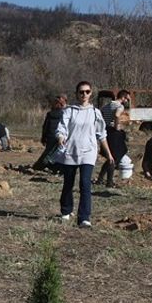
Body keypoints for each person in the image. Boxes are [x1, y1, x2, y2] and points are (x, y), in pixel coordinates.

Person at [54, 80, 113, 228]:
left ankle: (84, 218)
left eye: (87, 91)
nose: (84, 94)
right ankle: (66, 211)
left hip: (88, 152)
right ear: (77, 94)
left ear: (91, 93)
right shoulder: (69, 111)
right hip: (70, 152)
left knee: (85, 184)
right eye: (81, 92)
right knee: (68, 182)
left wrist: (109, 154)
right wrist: (60, 137)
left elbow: (102, 134)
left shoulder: (95, 113)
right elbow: (61, 128)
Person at [97, 89, 130, 187]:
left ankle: (100, 179)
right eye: (127, 99)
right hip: (114, 133)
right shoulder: (120, 106)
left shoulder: (106, 106)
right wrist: (117, 127)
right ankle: (109, 182)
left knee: (109, 156)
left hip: (106, 131)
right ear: (123, 98)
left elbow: (102, 116)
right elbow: (116, 115)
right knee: (114, 157)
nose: (127, 101)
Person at [32, 94, 67, 170]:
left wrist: (43, 137)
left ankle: (41, 166)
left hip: (50, 135)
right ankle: (47, 166)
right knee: (58, 154)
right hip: (60, 136)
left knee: (48, 153)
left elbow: (45, 126)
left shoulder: (50, 114)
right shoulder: (65, 114)